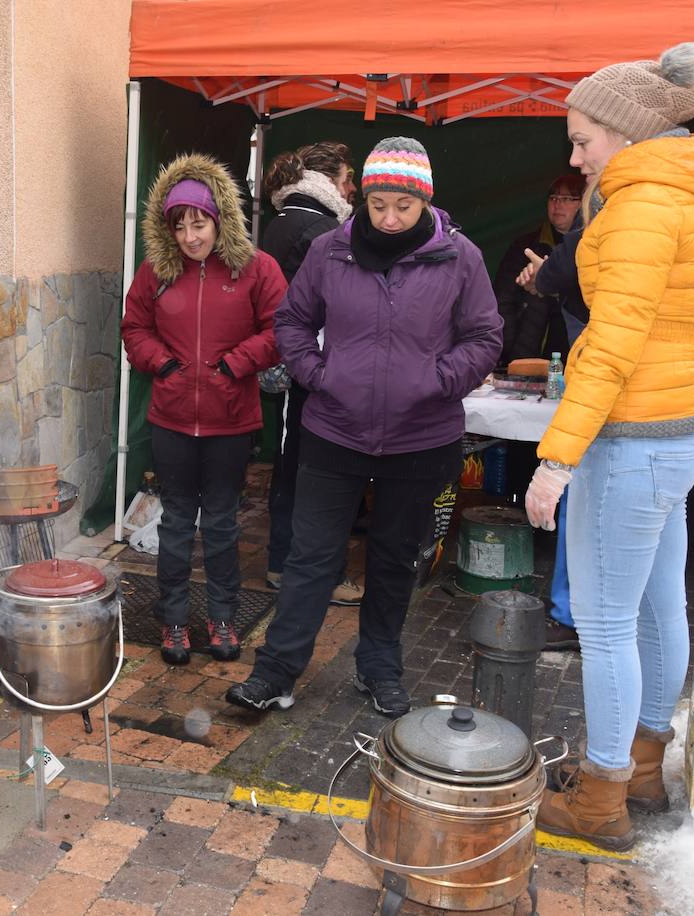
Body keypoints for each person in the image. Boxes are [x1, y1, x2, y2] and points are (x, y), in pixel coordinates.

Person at [523, 42, 694, 851]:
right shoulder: (683, 193)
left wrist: (556, 459)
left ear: (624, 132)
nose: (575, 156)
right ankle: (646, 762)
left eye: (584, 139)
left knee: (606, 622)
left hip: (632, 435)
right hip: (679, 426)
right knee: (659, 603)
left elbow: (612, 345)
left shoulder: (643, 207)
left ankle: (602, 795)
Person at [226, 137, 502, 717]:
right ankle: (276, 672)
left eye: (403, 205)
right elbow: (293, 321)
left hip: (420, 437)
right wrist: (318, 375)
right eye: (379, 204)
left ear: (424, 200)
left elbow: (484, 338)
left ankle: (379, 668)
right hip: (334, 429)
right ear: (365, 197)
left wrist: (437, 380)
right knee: (311, 557)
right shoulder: (330, 251)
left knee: (395, 557)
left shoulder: (459, 257)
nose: (390, 217)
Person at [121, 153, 284, 666]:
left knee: (219, 524)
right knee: (174, 524)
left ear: (220, 218)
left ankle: (222, 617)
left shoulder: (256, 268)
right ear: (167, 228)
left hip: (231, 420)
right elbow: (134, 328)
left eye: (199, 222)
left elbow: (281, 330)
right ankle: (172, 620)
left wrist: (235, 365)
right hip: (171, 420)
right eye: (180, 226)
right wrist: (162, 365)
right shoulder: (156, 272)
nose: (191, 236)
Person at [258, 140, 364, 607]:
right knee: (313, 472)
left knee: (291, 466)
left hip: (290, 367)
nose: (354, 187)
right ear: (329, 180)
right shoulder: (321, 229)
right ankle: (306, 570)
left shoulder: (281, 223)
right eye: (348, 178)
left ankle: (284, 562)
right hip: (314, 370)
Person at [515, 178, 591, 652]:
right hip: (597, 388)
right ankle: (577, 614)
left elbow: (567, 275)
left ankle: (572, 615)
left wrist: (557, 461)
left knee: (581, 505)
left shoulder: (603, 227)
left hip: (602, 397)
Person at [493, 173, 586, 364]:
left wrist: (547, 282)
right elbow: (502, 301)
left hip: (577, 353)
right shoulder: (525, 246)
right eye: (553, 198)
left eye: (567, 199)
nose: (557, 204)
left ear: (583, 203)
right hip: (528, 354)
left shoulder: (589, 248)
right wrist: (511, 348)